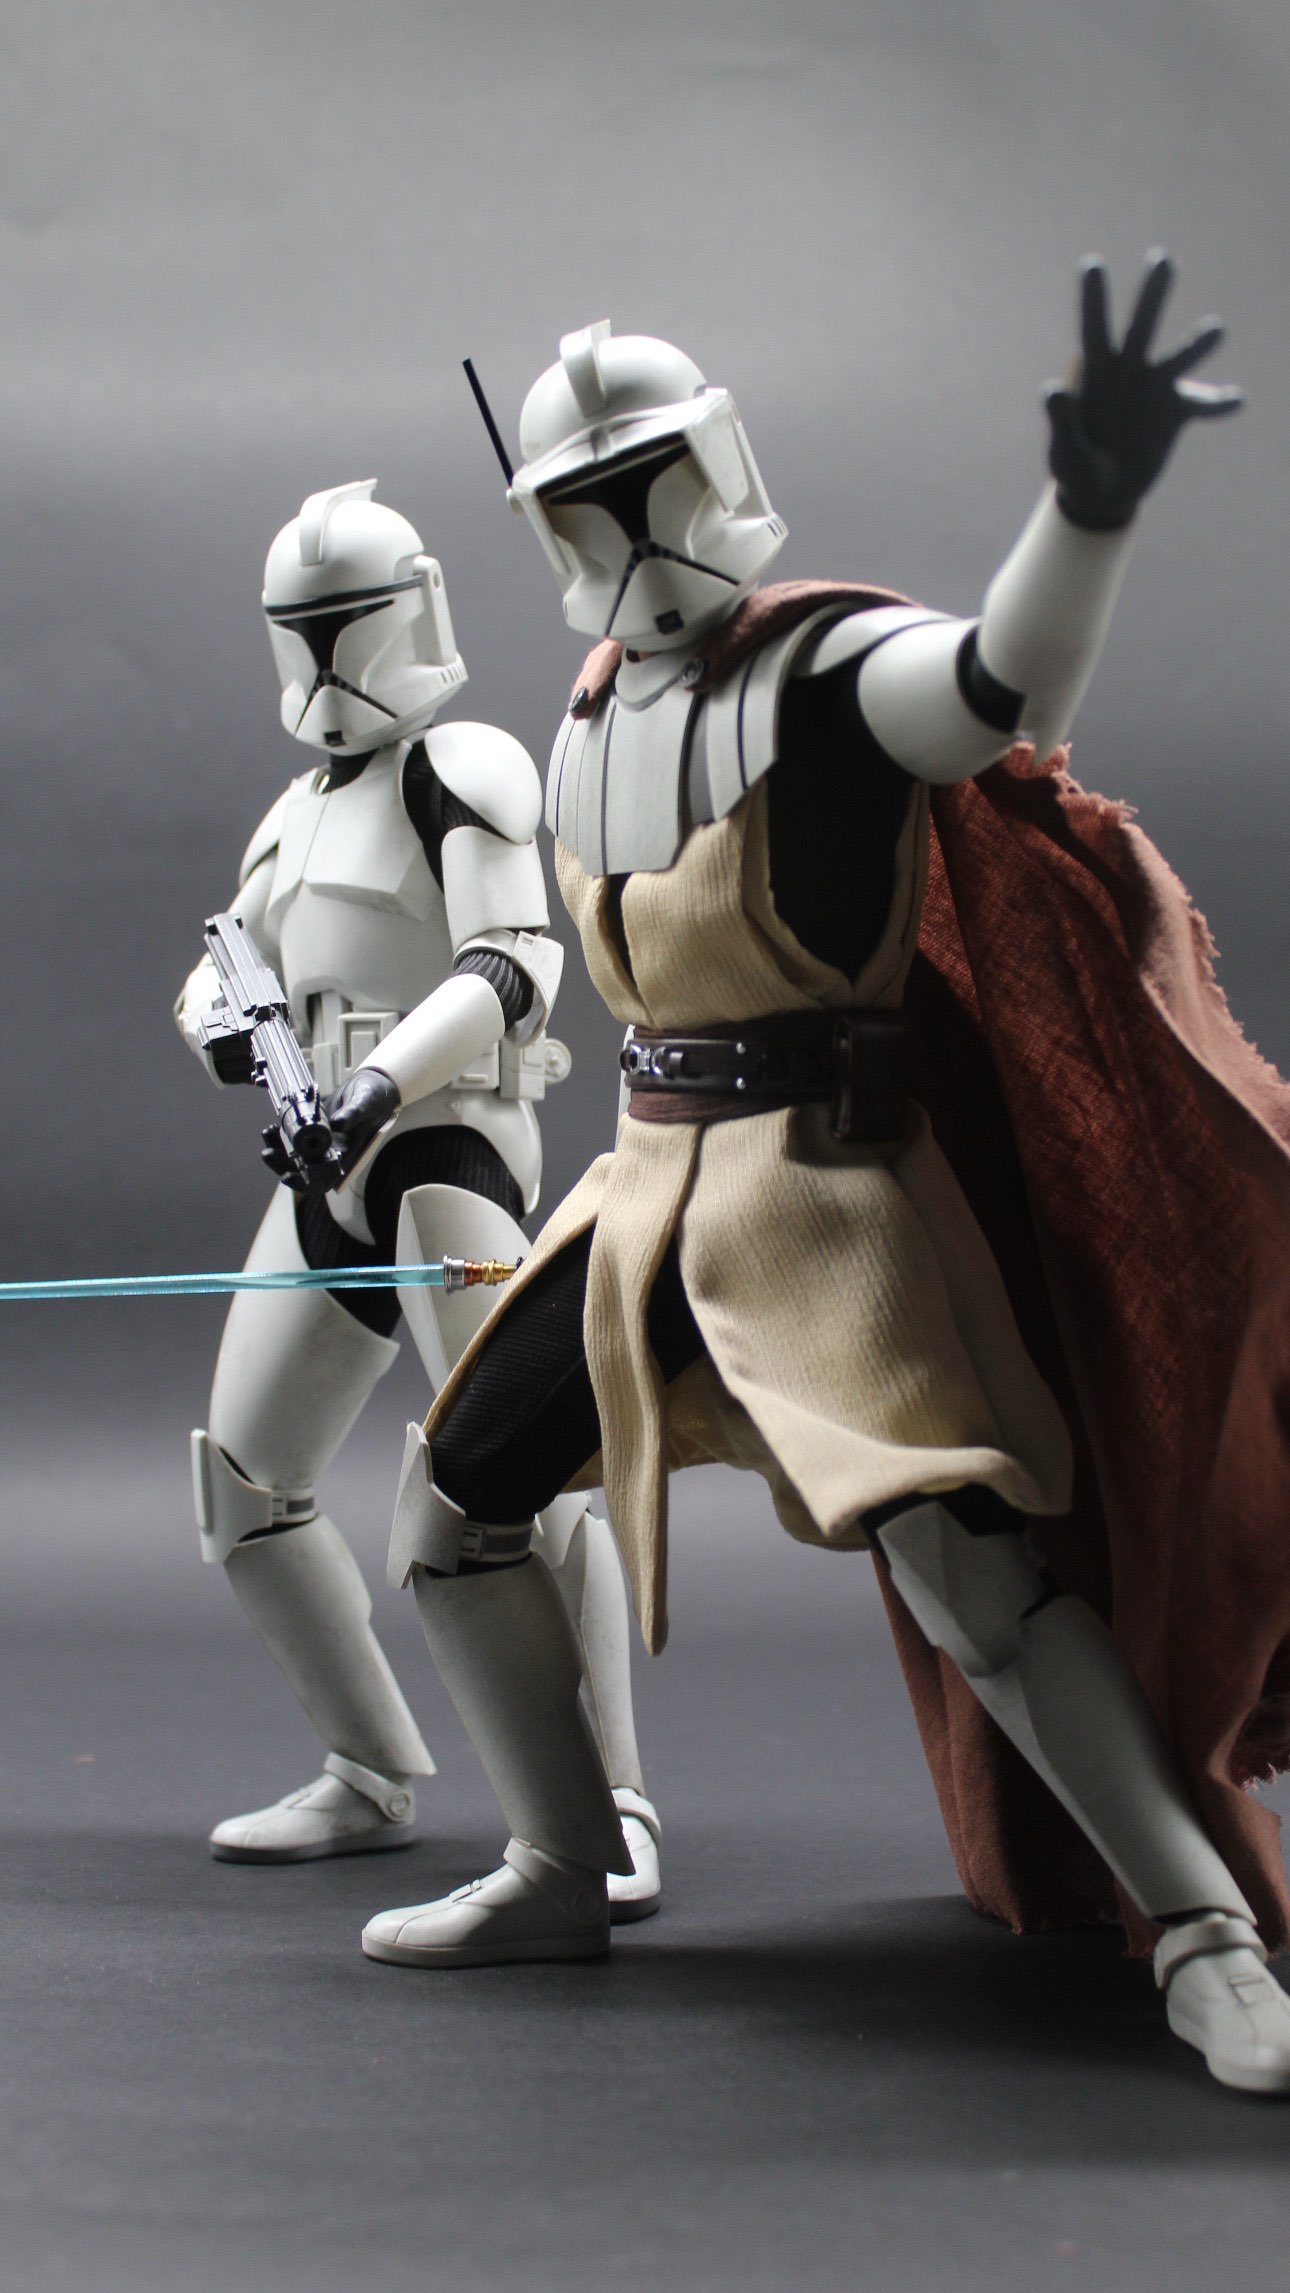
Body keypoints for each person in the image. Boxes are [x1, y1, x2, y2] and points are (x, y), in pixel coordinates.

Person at [362, 261, 1290, 2093]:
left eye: (657, 485)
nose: (640, 535)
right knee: (454, 1507)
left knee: (975, 1572)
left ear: (717, 466)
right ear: (548, 526)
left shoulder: (826, 674)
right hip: (641, 1193)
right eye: (594, 505)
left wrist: (1085, 507)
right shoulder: (587, 711)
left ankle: (1203, 1934)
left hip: (820, 1197)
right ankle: (558, 1861)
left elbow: (994, 684)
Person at [173, 480, 659, 1916]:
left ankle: (614, 1798)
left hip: (443, 1146)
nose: (329, 656)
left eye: (349, 623)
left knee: (518, 1472)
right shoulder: (292, 814)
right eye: (305, 628)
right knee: (246, 1482)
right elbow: (224, 962)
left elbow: (511, 962)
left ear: (408, 614)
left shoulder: (464, 766)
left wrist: (380, 1086)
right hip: (327, 1161)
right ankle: (369, 1765)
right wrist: (222, 1029)